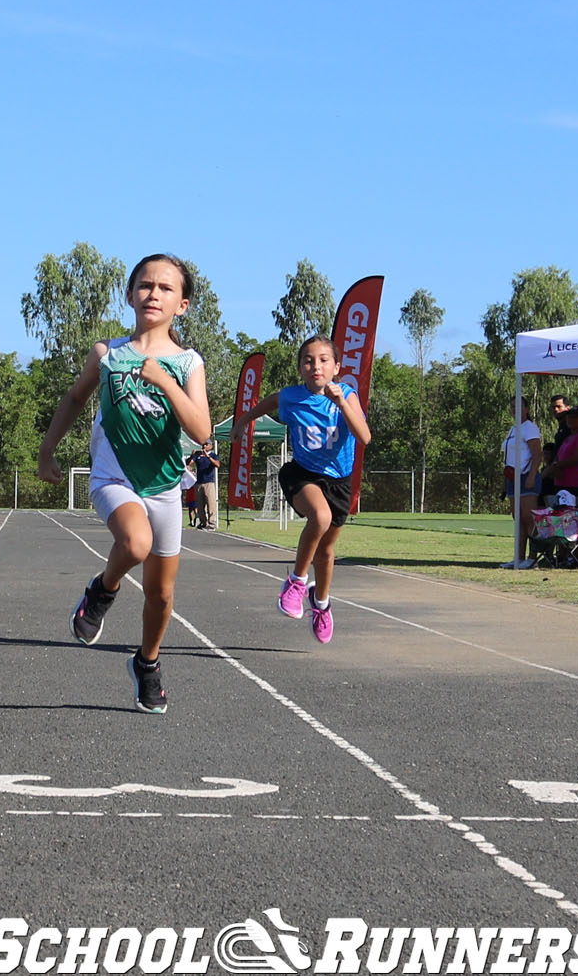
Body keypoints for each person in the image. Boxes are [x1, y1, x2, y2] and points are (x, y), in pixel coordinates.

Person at [38, 254, 211, 713]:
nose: (154, 294)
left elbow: (201, 430)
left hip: (165, 484)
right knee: (135, 543)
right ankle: (103, 589)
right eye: (145, 285)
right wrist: (47, 450)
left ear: (184, 304)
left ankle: (147, 663)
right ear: (130, 293)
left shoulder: (189, 363)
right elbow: (75, 398)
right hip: (113, 477)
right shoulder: (108, 354)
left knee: (161, 594)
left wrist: (164, 381)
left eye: (166, 288)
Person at [232, 334, 372, 644]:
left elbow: (364, 437)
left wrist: (340, 405)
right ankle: (295, 582)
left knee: (326, 551)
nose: (316, 366)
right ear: (300, 367)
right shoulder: (291, 397)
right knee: (319, 518)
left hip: (338, 481)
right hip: (302, 473)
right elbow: (266, 403)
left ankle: (320, 604)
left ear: (336, 367)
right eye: (308, 361)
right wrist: (243, 422)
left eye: (323, 360)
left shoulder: (346, 395)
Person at [498, 396, 541, 570]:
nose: (514, 410)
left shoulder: (529, 428)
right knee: (518, 519)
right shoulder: (513, 430)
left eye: (518, 407)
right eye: (512, 407)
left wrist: (531, 476)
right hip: (512, 478)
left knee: (529, 518)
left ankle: (533, 557)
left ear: (526, 409)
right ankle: (519, 557)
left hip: (525, 477)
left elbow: (537, 454)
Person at [193, 439, 221, 530]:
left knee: (211, 503)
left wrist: (208, 456)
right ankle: (202, 522)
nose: (204, 447)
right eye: (203, 445)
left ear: (210, 446)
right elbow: (188, 463)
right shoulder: (198, 455)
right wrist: (192, 455)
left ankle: (212, 523)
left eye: (206, 445)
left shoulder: (213, 455)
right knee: (200, 505)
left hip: (209, 482)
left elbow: (217, 464)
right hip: (199, 483)